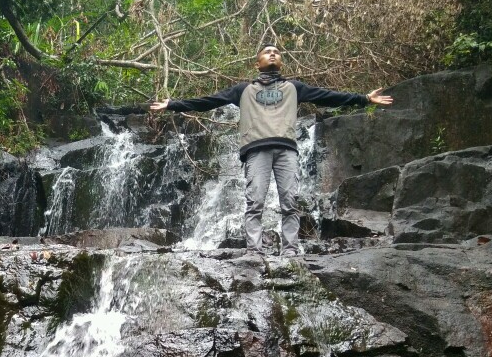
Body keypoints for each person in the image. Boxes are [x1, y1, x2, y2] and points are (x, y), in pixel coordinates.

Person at [149, 45, 393, 256]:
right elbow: (208, 101)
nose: (273, 54)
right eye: (267, 52)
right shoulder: (242, 90)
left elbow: (328, 97)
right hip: (256, 151)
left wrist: (363, 99)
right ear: (258, 63)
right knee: (255, 202)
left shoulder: (294, 88)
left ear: (281, 61)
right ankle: (254, 250)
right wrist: (173, 104)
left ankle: (290, 249)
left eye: (276, 52)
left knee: (290, 201)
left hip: (287, 150)